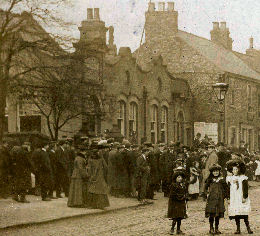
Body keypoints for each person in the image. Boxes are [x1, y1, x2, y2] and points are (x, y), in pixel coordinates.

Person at [226, 159, 253, 234]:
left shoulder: (243, 178)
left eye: (236, 169)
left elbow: (245, 189)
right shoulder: (230, 179)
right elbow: (228, 189)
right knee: (236, 213)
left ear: (239, 170)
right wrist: (228, 198)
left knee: (244, 213)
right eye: (233, 169)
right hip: (234, 198)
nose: (235, 171)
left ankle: (248, 228)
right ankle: (238, 229)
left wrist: (245, 197)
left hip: (240, 197)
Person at [204, 164, 228, 235]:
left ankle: (216, 228)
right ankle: (211, 228)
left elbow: (226, 188)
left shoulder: (222, 180)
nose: (215, 173)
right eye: (214, 171)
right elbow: (205, 188)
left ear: (219, 172)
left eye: (217, 171)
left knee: (218, 215)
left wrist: (225, 196)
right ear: (212, 172)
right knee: (212, 214)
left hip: (219, 200)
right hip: (211, 199)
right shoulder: (210, 180)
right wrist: (206, 194)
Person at [167, 169, 188, 235]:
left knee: (180, 217)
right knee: (175, 217)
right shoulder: (173, 185)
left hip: (181, 203)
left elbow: (185, 192)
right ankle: (172, 228)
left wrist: (186, 197)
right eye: (178, 177)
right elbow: (172, 195)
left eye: (181, 177)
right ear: (175, 178)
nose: (180, 178)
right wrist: (181, 197)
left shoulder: (183, 185)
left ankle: (178, 229)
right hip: (175, 203)